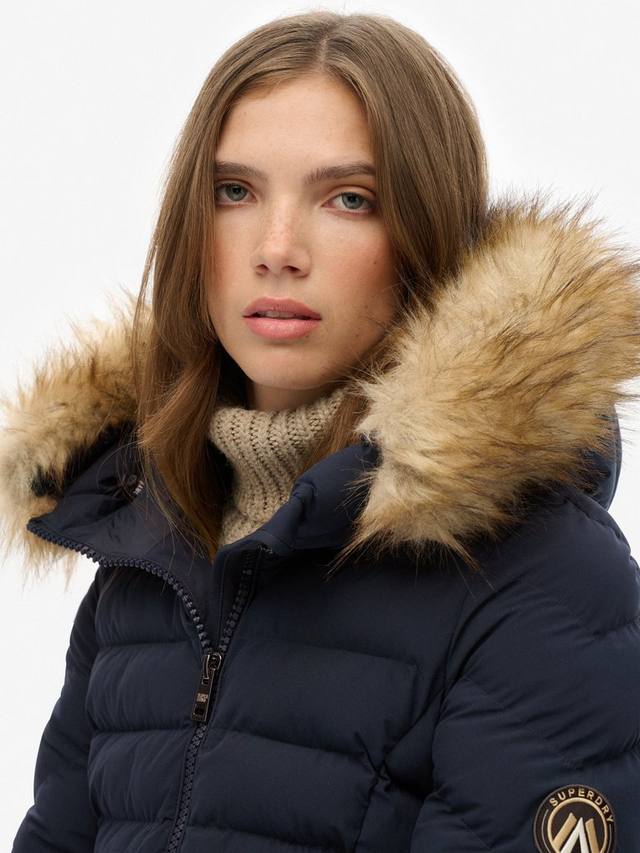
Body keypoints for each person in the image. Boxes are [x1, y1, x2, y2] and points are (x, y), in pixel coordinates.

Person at [3, 9, 640, 853]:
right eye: (235, 191)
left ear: (426, 235)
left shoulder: (547, 580)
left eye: (348, 199)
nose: (277, 248)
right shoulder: (147, 543)